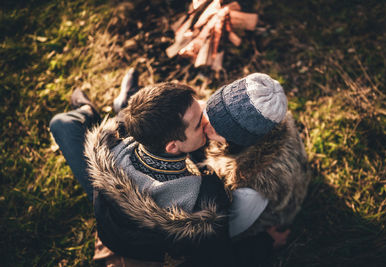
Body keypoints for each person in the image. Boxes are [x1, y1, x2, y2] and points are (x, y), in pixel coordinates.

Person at [50, 71, 234, 266]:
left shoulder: (115, 144)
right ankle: (119, 103)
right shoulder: (206, 200)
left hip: (111, 225)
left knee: (62, 123)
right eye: (199, 124)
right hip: (138, 247)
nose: (207, 122)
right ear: (172, 147)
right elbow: (222, 255)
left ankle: (109, 106)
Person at [203, 73, 311, 265]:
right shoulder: (266, 123)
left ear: (239, 140)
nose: (206, 126)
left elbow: (230, 227)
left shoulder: (250, 186)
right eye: (210, 114)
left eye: (217, 129)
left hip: (258, 221)